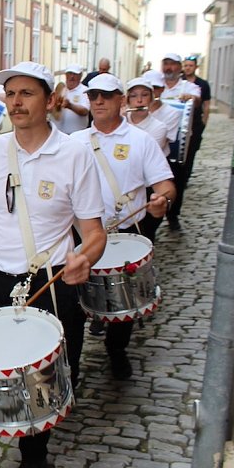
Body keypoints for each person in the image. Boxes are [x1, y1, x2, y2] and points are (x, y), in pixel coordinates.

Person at [0, 61, 107, 468]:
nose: (16, 102)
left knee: (41, 388)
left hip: (49, 285)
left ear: (51, 99)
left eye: (27, 93)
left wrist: (84, 258)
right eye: (11, 94)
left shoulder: (74, 154)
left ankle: (33, 458)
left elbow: (93, 231)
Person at [70, 74, 175, 379]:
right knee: (74, 302)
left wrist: (162, 201)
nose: (98, 102)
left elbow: (166, 185)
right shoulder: (74, 143)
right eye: (93, 96)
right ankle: (73, 367)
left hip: (125, 232)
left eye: (106, 95)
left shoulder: (141, 140)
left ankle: (117, 351)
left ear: (121, 100)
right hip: (82, 233)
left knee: (121, 302)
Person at [155, 53, 201, 231]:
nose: (168, 68)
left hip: (178, 145)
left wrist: (190, 98)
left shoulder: (188, 86)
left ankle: (173, 215)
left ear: (179, 67)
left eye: (172, 64)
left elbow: (196, 100)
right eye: (165, 64)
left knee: (177, 180)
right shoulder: (156, 85)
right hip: (157, 142)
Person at [171, 55, 211, 224]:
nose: (187, 68)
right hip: (170, 135)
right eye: (185, 65)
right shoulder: (172, 84)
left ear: (195, 67)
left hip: (191, 130)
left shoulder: (200, 85)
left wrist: (203, 123)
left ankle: (174, 213)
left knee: (185, 165)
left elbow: (204, 103)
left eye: (190, 65)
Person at [55, 64, 90, 135]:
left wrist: (70, 106)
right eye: (69, 73)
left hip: (78, 135)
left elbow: (84, 111)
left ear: (80, 76)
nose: (72, 77)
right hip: (59, 134)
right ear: (65, 75)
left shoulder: (85, 91)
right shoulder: (60, 89)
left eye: (75, 74)